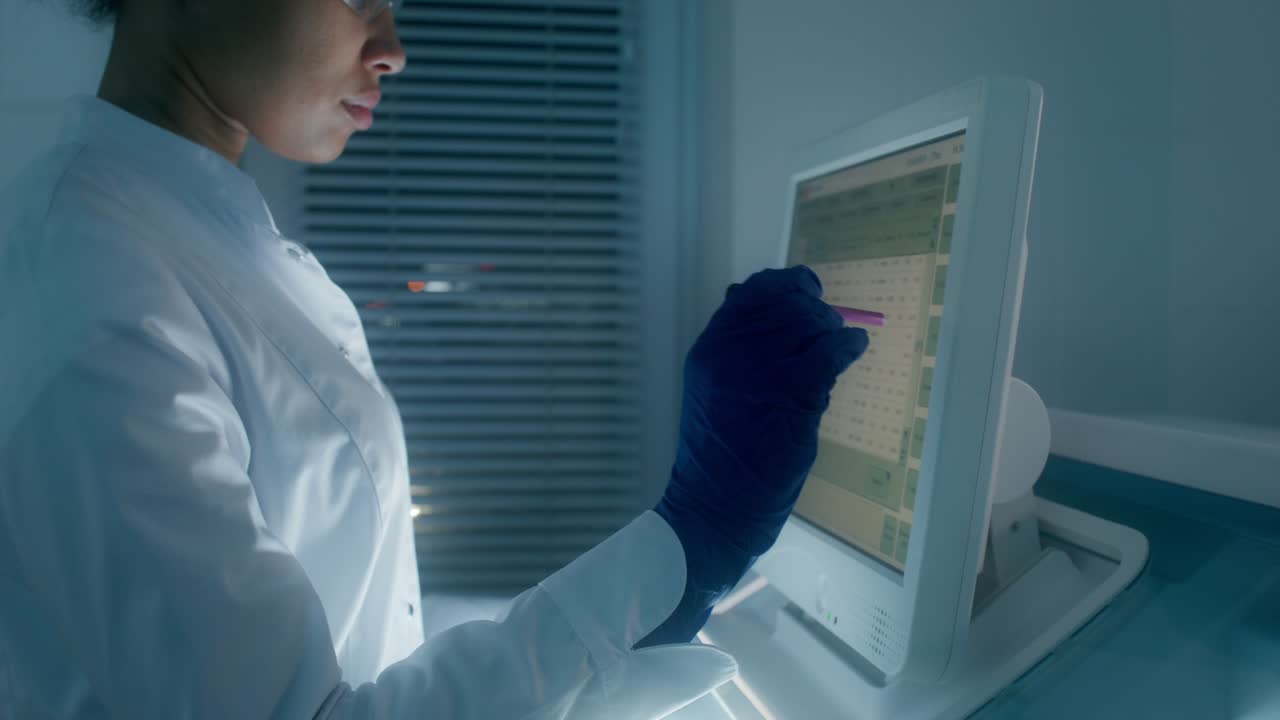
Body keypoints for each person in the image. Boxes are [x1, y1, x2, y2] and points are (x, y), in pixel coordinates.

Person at [0, 0, 870, 717]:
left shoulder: (197, 237)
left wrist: (658, 584)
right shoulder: (93, 285)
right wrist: (688, 539)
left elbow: (354, 628)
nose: (393, 49)